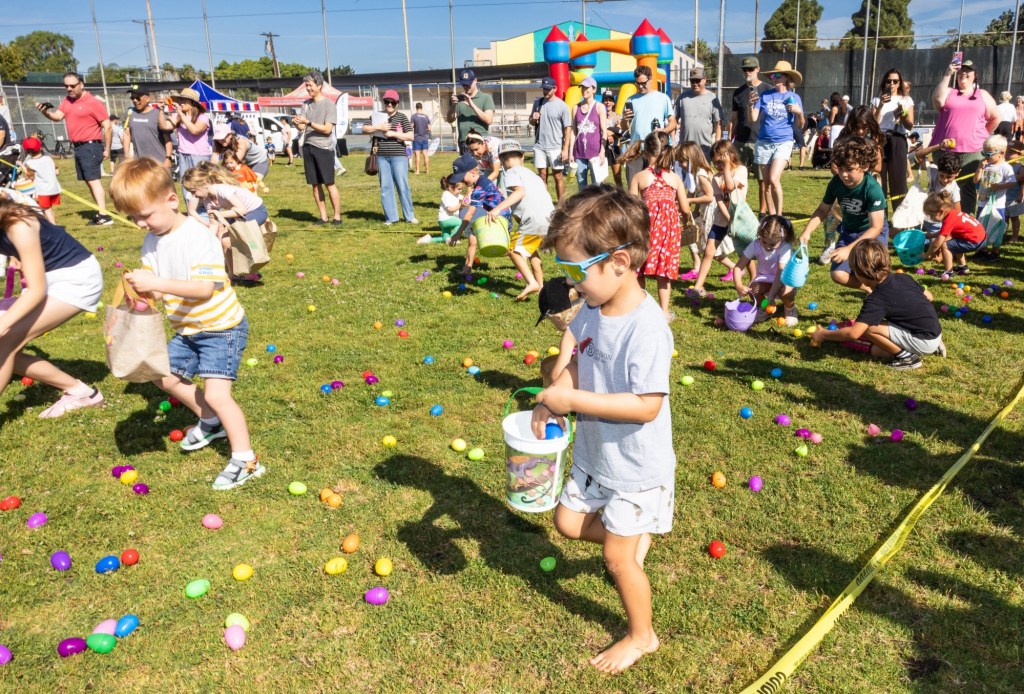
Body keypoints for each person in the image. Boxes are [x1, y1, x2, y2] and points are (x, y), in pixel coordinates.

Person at [531, 184, 674, 675]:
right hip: (596, 456)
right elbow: (576, 346)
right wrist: (557, 388)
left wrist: (573, 399)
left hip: (635, 465)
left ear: (620, 262)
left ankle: (642, 635)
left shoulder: (647, 328)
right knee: (567, 525)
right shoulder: (593, 307)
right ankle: (630, 535)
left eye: (576, 271)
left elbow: (646, 407)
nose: (570, 285)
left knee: (617, 561)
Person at [110, 159, 264, 490]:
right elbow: (156, 284)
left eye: (145, 214)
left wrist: (157, 283)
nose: (140, 223)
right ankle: (210, 421)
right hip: (187, 328)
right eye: (132, 217)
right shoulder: (153, 240)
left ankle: (247, 461)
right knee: (162, 374)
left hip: (220, 328)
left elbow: (203, 288)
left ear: (171, 199)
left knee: (220, 395)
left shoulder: (197, 237)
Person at [0, 199, 104, 416]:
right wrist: (16, 254)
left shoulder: (19, 224)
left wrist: (4, 323)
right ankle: (79, 392)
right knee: (8, 346)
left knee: (6, 341)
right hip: (45, 276)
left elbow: (37, 291)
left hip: (75, 279)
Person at [811, 239, 945, 371]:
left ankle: (907, 358)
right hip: (935, 332)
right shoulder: (903, 277)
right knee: (877, 350)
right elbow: (929, 297)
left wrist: (823, 334)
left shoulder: (877, 299)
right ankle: (925, 344)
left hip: (924, 340)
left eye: (853, 271)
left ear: (861, 273)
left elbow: (854, 333)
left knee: (869, 329)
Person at [799, 137, 888, 290]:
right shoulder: (836, 183)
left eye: (849, 169)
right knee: (838, 274)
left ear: (865, 166)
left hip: (871, 234)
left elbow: (876, 227)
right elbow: (822, 210)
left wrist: (849, 249)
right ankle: (870, 290)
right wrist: (807, 232)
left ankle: (887, 294)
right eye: (840, 169)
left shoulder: (872, 189)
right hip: (849, 232)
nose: (844, 174)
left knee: (876, 273)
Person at [34, 72, 114, 226]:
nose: (69, 89)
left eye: (72, 85)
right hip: (78, 147)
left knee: (93, 180)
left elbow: (107, 126)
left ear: (81, 84)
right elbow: (57, 117)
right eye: (66, 86)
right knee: (88, 181)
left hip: (90, 146)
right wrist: (44, 111)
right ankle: (100, 212)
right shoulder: (67, 101)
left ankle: (104, 215)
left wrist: (107, 149)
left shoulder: (93, 102)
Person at [484, 139, 553, 301]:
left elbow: (519, 192)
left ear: (501, 160)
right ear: (522, 156)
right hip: (550, 218)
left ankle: (532, 283)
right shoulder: (533, 175)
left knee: (513, 250)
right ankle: (541, 287)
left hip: (533, 220)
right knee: (531, 251)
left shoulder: (510, 173)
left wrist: (497, 209)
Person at [627, 132, 686, 320]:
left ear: (646, 153)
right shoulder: (675, 178)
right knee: (664, 272)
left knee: (639, 268)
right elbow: (685, 208)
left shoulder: (639, 177)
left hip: (645, 228)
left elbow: (631, 208)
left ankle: (639, 307)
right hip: (669, 230)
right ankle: (663, 312)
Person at [930, 58, 1000, 215]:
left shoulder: (982, 94)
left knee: (966, 187)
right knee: (944, 186)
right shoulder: (949, 92)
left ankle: (965, 222)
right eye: (961, 70)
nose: (964, 73)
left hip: (972, 151)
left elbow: (996, 117)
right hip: (945, 150)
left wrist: (982, 135)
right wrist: (948, 73)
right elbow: (937, 101)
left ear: (975, 75)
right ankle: (943, 221)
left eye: (968, 71)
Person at [181, 162, 268, 283]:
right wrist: (208, 241)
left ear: (205, 184)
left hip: (256, 210)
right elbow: (214, 223)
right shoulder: (207, 199)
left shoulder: (222, 190)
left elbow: (241, 210)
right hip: (240, 213)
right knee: (224, 241)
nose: (193, 195)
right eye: (190, 192)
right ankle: (232, 275)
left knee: (236, 238)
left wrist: (220, 214)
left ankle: (251, 271)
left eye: (194, 191)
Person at [686, 140, 746, 299]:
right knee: (709, 251)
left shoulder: (741, 170)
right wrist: (727, 217)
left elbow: (731, 186)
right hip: (721, 219)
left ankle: (753, 282)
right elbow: (719, 199)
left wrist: (727, 168)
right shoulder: (715, 177)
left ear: (730, 156)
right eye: (716, 163)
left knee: (745, 253)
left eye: (720, 162)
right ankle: (698, 287)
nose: (718, 166)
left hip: (739, 219)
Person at [748, 60, 804, 217]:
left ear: (786, 77)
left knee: (773, 179)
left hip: (784, 141)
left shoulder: (794, 97)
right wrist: (750, 105)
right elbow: (753, 118)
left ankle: (779, 216)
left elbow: (800, 125)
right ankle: (772, 217)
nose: (775, 77)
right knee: (765, 184)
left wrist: (799, 113)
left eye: (778, 75)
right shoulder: (765, 95)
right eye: (773, 75)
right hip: (764, 142)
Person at [445, 153, 511, 274]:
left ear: (473, 172)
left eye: (462, 178)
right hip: (495, 214)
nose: (462, 182)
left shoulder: (479, 189)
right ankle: (467, 268)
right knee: (472, 237)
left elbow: (469, 214)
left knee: (501, 248)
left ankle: (521, 253)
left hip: (500, 218)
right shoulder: (482, 181)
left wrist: (457, 234)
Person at [291, 71, 342, 226]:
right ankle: (323, 217)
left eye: (310, 85)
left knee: (329, 183)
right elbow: (301, 127)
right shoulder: (306, 104)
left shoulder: (329, 105)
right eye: (306, 85)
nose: (308, 88)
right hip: (308, 147)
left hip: (324, 148)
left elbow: (327, 129)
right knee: (315, 184)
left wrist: (308, 123)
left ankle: (337, 217)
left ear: (319, 86)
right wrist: (297, 123)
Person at [362, 89, 418, 227]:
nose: (389, 105)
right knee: (386, 187)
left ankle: (409, 216)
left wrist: (393, 133)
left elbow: (411, 136)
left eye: (392, 102)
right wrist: (378, 127)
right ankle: (391, 218)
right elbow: (364, 129)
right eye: (387, 102)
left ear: (397, 103)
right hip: (381, 156)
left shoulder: (402, 117)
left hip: (399, 156)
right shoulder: (377, 116)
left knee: (402, 185)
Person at [733, 215, 796, 325]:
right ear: (760, 236)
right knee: (753, 290)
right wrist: (738, 285)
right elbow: (738, 267)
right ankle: (768, 307)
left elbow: (780, 275)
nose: (767, 246)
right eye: (764, 242)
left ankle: (790, 309)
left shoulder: (785, 248)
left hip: (782, 279)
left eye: (772, 244)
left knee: (786, 292)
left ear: (782, 238)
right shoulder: (755, 245)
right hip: (764, 279)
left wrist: (771, 296)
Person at [621, 65, 675, 185]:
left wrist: (664, 130)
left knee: (657, 185)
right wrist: (625, 119)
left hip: (656, 149)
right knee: (633, 187)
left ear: (650, 79)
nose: (640, 86)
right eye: (637, 83)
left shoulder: (662, 98)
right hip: (636, 149)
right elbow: (624, 127)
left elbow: (673, 122)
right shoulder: (631, 100)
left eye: (643, 83)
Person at [871, 68, 915, 212]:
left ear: (899, 83)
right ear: (884, 82)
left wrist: (902, 116)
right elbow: (873, 124)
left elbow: (909, 125)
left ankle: (899, 218)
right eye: (889, 81)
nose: (891, 84)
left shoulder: (906, 100)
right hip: (880, 139)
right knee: (879, 178)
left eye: (895, 81)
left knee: (899, 181)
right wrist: (881, 105)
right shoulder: (877, 100)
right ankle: (880, 215)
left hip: (897, 139)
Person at [731, 57, 771, 216]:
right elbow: (733, 118)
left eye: (751, 69)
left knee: (763, 179)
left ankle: (762, 211)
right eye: (745, 69)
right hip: (740, 141)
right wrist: (729, 139)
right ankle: (741, 208)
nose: (747, 72)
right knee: (739, 178)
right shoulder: (738, 92)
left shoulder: (768, 90)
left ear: (758, 69)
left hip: (760, 141)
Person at [674, 141, 717, 282]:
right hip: (702, 211)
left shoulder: (701, 174)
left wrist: (690, 202)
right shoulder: (693, 173)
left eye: (682, 161)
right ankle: (696, 266)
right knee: (692, 235)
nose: (680, 165)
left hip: (710, 212)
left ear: (691, 159)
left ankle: (733, 267)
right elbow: (693, 192)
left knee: (708, 245)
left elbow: (709, 196)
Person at [972, 133, 1016, 259]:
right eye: (984, 153)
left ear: (1001, 153)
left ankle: (995, 251)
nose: (986, 157)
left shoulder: (1005, 167)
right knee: (981, 226)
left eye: (989, 154)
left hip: (997, 205)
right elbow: (975, 181)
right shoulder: (985, 165)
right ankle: (983, 249)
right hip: (982, 202)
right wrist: (980, 168)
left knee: (997, 226)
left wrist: (1000, 186)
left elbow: (1013, 182)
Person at [923, 191, 986, 276]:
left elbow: (938, 243)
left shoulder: (949, 220)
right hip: (981, 238)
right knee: (954, 243)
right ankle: (962, 267)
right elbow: (943, 232)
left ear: (941, 212)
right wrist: (930, 235)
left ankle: (949, 272)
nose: (931, 218)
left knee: (945, 245)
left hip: (975, 241)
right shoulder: (953, 214)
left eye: (931, 215)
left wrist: (927, 254)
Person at [532, 77, 572, 202]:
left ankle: (561, 205)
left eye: (548, 89)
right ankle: (545, 204)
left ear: (555, 89)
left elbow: (568, 129)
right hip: (539, 146)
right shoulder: (537, 103)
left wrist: (565, 149)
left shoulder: (562, 106)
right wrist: (533, 118)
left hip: (555, 147)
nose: (546, 91)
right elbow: (532, 122)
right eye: (544, 89)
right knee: (542, 176)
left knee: (558, 177)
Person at [673, 67, 722, 160]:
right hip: (684, 147)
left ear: (705, 80)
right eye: (692, 81)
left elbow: (719, 123)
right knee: (684, 174)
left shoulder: (712, 98)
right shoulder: (682, 97)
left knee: (702, 174)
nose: (695, 83)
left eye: (698, 80)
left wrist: (717, 144)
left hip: (704, 148)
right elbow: (674, 120)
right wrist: (673, 142)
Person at [168, 87, 214, 182]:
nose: (181, 102)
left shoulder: (202, 118)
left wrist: (181, 115)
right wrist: (160, 110)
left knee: (200, 184)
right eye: (180, 100)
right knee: (185, 184)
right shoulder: (178, 116)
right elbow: (166, 126)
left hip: (199, 156)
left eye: (184, 100)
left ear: (192, 103)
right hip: (183, 154)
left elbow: (195, 130)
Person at [570, 77, 608, 189]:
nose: (584, 90)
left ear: (594, 89)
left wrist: (602, 150)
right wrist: (571, 152)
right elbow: (573, 131)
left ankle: (598, 207)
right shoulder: (575, 108)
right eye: (582, 87)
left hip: (595, 152)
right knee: (582, 186)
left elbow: (604, 131)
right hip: (579, 152)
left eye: (587, 88)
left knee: (597, 185)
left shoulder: (599, 107)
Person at [446, 68, 495, 155]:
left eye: (469, 84)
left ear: (475, 81)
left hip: (480, 141)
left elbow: (489, 120)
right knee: (467, 168)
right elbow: (450, 119)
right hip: (464, 142)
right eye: (464, 84)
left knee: (482, 168)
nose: (466, 87)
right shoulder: (459, 100)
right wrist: (453, 105)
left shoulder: (486, 98)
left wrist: (472, 105)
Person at [122, 85, 173, 168]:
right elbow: (126, 135)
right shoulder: (129, 113)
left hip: (159, 162)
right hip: (139, 163)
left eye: (138, 98)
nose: (135, 100)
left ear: (148, 98)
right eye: (132, 98)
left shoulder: (158, 114)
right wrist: (127, 156)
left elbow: (168, 140)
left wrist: (168, 159)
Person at [20, 136, 61, 224]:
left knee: (46, 210)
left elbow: (30, 176)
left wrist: (21, 165)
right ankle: (51, 224)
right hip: (54, 189)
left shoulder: (30, 163)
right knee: (49, 209)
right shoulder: (48, 158)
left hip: (43, 191)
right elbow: (57, 172)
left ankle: (54, 227)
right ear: (40, 147)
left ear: (27, 151)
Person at [417, 175, 463, 245]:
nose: (460, 191)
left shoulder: (456, 194)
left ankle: (426, 240)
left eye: (461, 189)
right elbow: (450, 209)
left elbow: (464, 198)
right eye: (459, 189)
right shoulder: (446, 195)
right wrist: (460, 205)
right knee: (461, 223)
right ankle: (453, 239)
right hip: (445, 219)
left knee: (445, 238)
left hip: (447, 220)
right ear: (450, 187)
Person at [602, 90, 625, 187]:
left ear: (613, 102)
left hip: (614, 148)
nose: (607, 102)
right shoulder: (599, 114)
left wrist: (610, 133)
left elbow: (621, 132)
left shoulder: (617, 116)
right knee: (601, 178)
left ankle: (621, 196)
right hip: (602, 148)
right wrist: (610, 132)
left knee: (617, 176)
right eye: (605, 100)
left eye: (610, 100)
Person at [411, 102, 431, 175]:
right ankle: (427, 170)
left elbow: (411, 127)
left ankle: (418, 171)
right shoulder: (426, 116)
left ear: (416, 108)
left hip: (417, 138)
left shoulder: (414, 116)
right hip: (425, 138)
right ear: (421, 108)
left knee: (417, 155)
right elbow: (429, 128)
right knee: (425, 154)